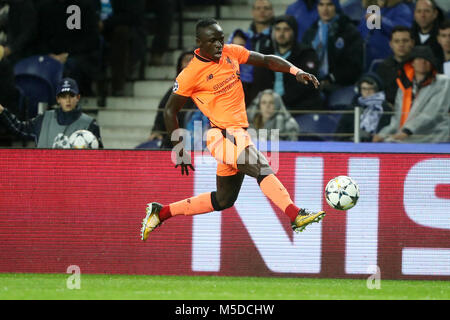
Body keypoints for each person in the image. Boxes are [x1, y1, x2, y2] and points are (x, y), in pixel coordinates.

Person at [140, 18, 325, 241]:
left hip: (238, 133)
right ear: (199, 42)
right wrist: (179, 149)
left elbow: (266, 60)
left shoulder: (231, 52)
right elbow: (170, 110)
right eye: (213, 41)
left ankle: (161, 212)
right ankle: (295, 214)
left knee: (224, 199)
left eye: (221, 39)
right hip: (220, 135)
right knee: (261, 166)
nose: (219, 45)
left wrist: (295, 71)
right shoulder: (190, 74)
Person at [373, 46, 450, 143]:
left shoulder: (443, 82)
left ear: (432, 64)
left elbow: (431, 113)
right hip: (408, 137)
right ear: (412, 63)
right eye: (419, 59)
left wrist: (407, 131)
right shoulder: (404, 86)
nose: (422, 62)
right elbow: (398, 118)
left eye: (427, 59)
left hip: (435, 137)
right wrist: (383, 134)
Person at [0, 78, 103, 148]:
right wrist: (3, 112)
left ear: (78, 98)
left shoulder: (90, 124)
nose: (68, 100)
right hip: (45, 177)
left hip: (76, 178)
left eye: (71, 96)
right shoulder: (44, 119)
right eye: (63, 96)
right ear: (58, 99)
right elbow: (20, 129)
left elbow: (99, 158)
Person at [251, 14, 324, 112]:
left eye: (286, 30)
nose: (281, 33)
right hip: (268, 108)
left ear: (294, 32)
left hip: (298, 109)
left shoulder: (306, 54)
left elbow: (305, 85)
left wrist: (279, 103)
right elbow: (259, 82)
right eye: (277, 29)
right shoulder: (265, 54)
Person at [32, 0, 102, 96]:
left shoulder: (85, 6)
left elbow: (92, 40)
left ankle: (67, 102)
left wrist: (67, 54)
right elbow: (38, 38)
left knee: (70, 66)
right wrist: (49, 54)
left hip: (79, 55)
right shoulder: (44, 7)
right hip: (49, 55)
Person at [302, 0, 364, 97]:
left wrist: (331, 78)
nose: (325, 9)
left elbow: (354, 65)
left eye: (329, 5)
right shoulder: (311, 32)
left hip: (340, 84)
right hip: (313, 84)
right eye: (321, 5)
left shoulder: (348, 31)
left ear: (336, 7)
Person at [147, 50, 195, 149]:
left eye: (192, 60)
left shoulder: (209, 89)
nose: (189, 63)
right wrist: (157, 131)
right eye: (186, 60)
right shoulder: (174, 90)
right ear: (180, 65)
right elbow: (163, 112)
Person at [99, 0, 147, 96]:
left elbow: (132, 17)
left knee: (121, 33)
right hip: (91, 28)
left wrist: (105, 24)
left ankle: (117, 85)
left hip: (117, 28)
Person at [335, 73, 391, 142]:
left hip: (378, 145)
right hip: (353, 144)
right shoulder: (353, 107)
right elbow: (340, 132)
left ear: (377, 89)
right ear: (360, 90)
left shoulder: (385, 108)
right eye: (364, 89)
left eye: (370, 88)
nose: (367, 92)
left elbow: (389, 130)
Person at [358, 0, 413, 71]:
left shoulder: (402, 9)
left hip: (389, 62)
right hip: (367, 60)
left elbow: (403, 32)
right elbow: (363, 32)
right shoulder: (373, 8)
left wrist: (381, 21)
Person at [376, 26, 415, 106]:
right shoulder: (382, 68)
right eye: (397, 41)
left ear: (412, 43)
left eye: (405, 41)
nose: (401, 45)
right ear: (391, 44)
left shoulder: (420, 66)